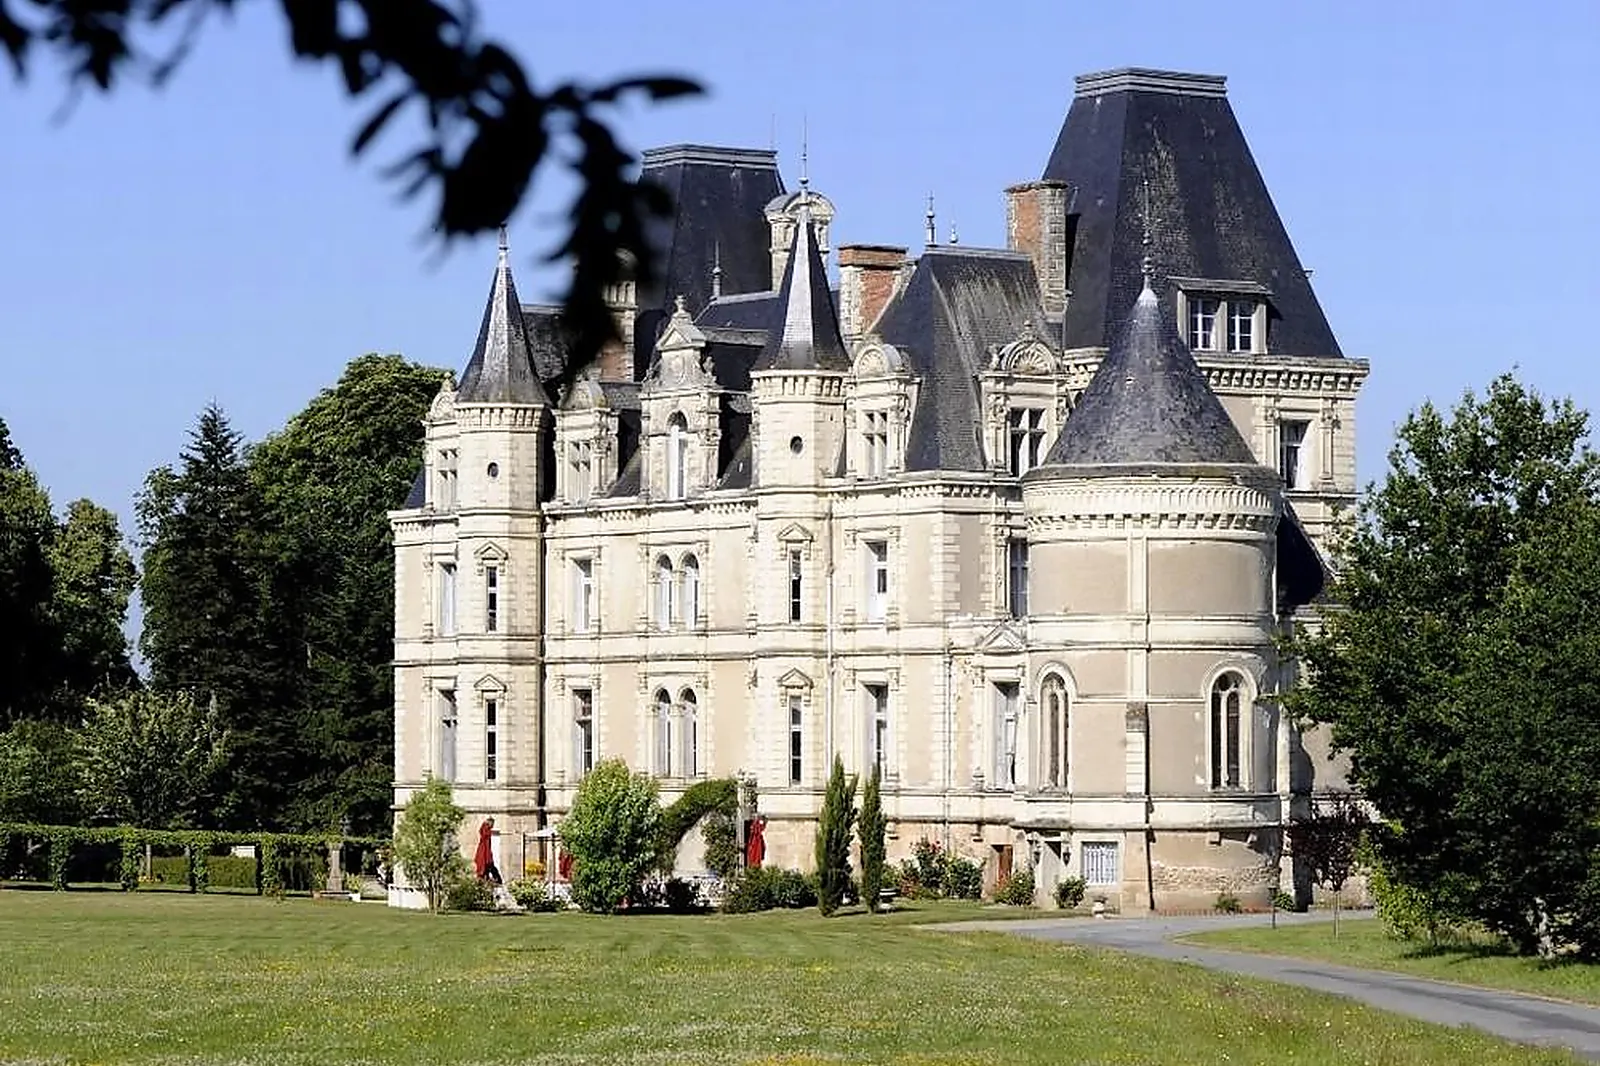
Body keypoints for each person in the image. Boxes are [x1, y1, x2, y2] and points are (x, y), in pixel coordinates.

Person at [474, 817, 503, 886]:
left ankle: (494, 882)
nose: (493, 826)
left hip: (486, 856)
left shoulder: (486, 830)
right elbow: (484, 833)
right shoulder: (485, 830)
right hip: (485, 857)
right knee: (490, 872)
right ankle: (497, 882)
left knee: (487, 874)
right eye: (492, 824)